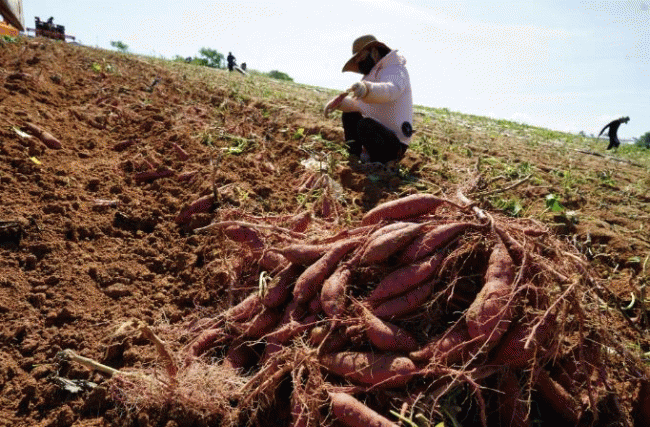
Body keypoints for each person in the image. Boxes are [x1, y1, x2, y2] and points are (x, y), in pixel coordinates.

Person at [324, 35, 413, 164]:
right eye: (356, 58)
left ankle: (383, 164)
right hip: (379, 133)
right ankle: (355, 158)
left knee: (365, 125)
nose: (359, 61)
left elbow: (391, 90)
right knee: (350, 115)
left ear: (374, 52)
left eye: (361, 56)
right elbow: (357, 105)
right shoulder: (370, 76)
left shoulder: (396, 70)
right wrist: (338, 103)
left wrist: (368, 90)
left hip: (395, 142)